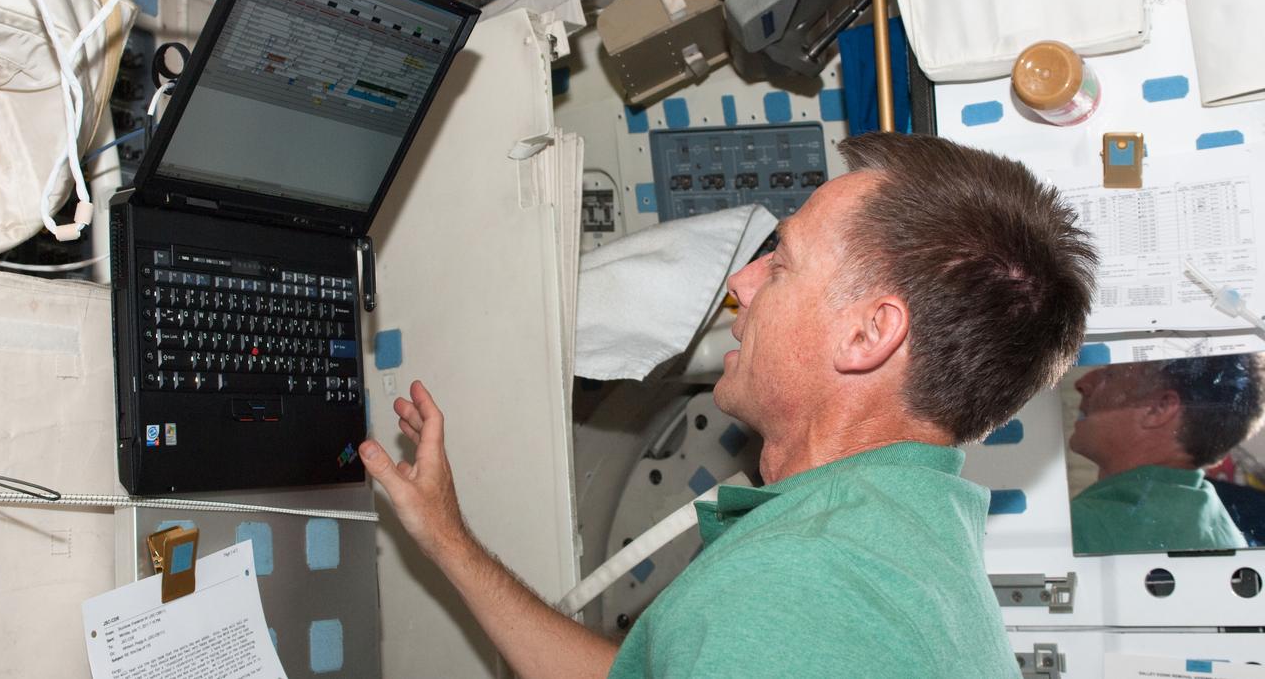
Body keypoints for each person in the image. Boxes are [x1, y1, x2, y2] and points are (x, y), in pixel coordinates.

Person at [359, 131, 1098, 678]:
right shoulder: (896, 552)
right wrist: (447, 536)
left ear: (868, 333)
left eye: (783, 261)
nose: (742, 281)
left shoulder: (795, 589)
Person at [1070, 354, 1265, 554]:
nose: (1082, 383)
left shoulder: (1082, 528)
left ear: (1159, 408)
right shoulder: (1223, 531)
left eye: (1109, 375)